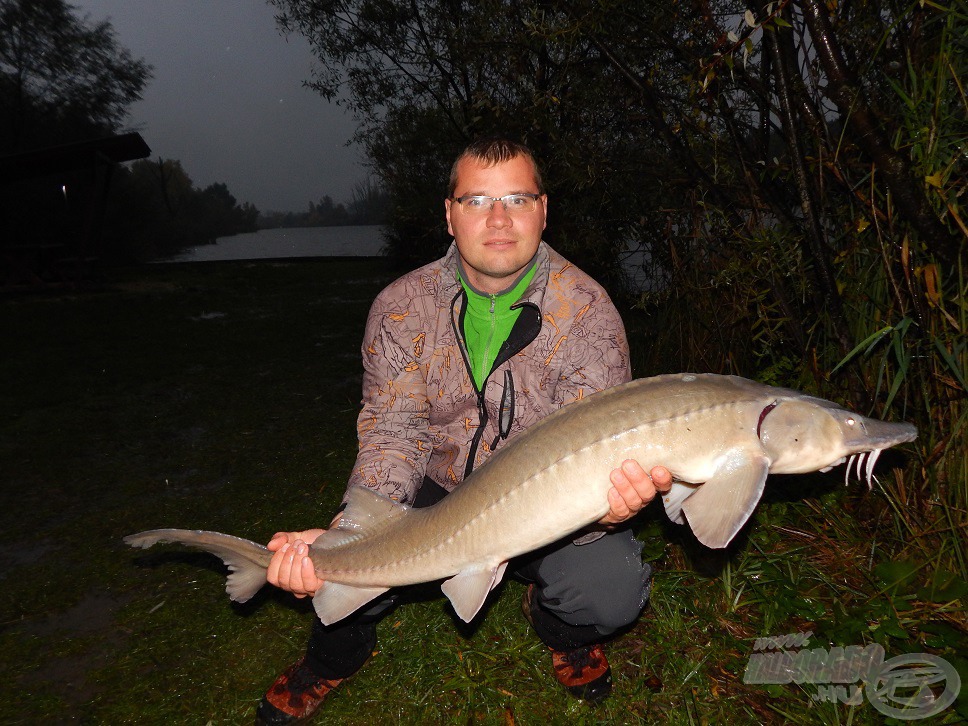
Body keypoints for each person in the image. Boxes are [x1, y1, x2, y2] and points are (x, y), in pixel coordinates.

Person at [255, 138, 672, 724]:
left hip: (539, 504)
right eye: (477, 200)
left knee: (612, 588)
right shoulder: (401, 306)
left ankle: (557, 626)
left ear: (544, 210)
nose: (499, 220)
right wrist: (344, 536)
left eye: (517, 200)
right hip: (435, 487)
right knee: (356, 563)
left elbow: (590, 461)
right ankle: (333, 657)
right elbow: (393, 436)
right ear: (449, 215)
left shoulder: (588, 312)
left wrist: (608, 511)